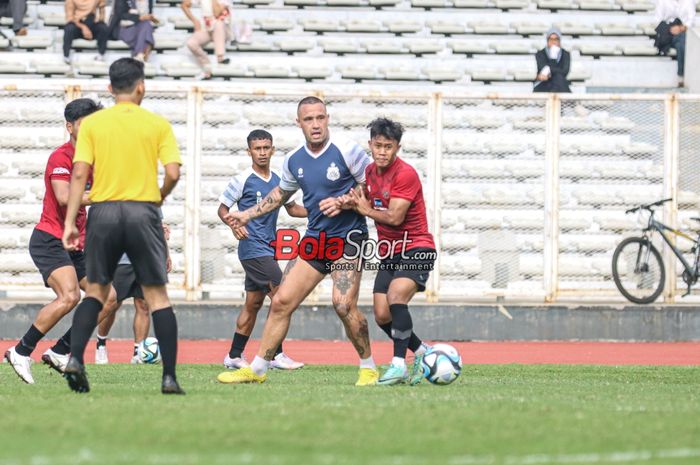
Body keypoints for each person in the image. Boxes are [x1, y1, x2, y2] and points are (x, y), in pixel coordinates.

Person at [217, 96, 379, 386]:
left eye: (320, 118)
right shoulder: (293, 160)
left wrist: (344, 201)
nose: (315, 124)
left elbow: (372, 184)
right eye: (309, 119)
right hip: (315, 240)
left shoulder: (347, 149)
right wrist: (246, 215)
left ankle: (368, 367)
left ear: (327, 118)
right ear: (299, 123)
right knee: (280, 301)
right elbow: (280, 194)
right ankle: (256, 370)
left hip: (348, 240)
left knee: (342, 305)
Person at [62, 57, 184, 395]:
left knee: (98, 292)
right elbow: (173, 172)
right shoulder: (156, 124)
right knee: (157, 296)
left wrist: (71, 222)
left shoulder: (93, 126)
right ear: (141, 86)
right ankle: (169, 377)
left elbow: (78, 174)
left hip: (102, 213)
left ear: (110, 88)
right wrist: (159, 196)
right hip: (142, 211)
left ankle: (75, 358)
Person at [4, 98, 118, 384]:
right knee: (70, 296)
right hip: (49, 239)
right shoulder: (61, 157)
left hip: (76, 244)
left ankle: (60, 351)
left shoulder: (95, 158)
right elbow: (65, 197)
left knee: (109, 298)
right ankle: (21, 351)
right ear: (70, 126)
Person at [341, 118, 436, 385]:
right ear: (370, 144)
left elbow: (394, 217)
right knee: (382, 314)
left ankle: (398, 365)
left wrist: (364, 209)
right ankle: (421, 351)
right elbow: (363, 199)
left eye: (388, 147)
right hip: (390, 252)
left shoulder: (405, 173)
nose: (382, 152)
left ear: (397, 148)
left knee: (396, 296)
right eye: (378, 145)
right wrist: (346, 202)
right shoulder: (370, 172)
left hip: (417, 247)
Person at [219, 129, 307, 371]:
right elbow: (223, 209)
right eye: (257, 148)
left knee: (253, 305)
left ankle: (234, 356)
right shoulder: (242, 179)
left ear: (272, 150)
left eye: (266, 148)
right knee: (282, 296)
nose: (262, 152)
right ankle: (275, 354)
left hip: (268, 248)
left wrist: (318, 208)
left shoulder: (280, 180)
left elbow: (293, 209)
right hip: (252, 248)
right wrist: (232, 225)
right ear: (249, 152)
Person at [94, 222, 171, 365]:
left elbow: (159, 225)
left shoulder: (152, 200)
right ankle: (101, 344)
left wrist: (166, 253)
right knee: (111, 305)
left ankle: (139, 353)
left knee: (143, 305)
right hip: (120, 259)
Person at [181, 0, 232, 79]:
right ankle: (207, 65)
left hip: (223, 30)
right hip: (208, 29)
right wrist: (195, 21)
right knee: (191, 43)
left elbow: (216, 13)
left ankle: (220, 57)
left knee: (218, 24)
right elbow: (184, 5)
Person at [655, 0, 695, 87]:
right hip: (668, 34)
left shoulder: (689, 2)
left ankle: (681, 75)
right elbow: (658, 20)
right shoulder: (663, 1)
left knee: (681, 42)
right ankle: (681, 75)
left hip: (684, 33)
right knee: (681, 42)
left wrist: (681, 28)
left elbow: (691, 20)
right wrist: (670, 29)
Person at [63, 0, 109, 64]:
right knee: (69, 28)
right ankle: (66, 56)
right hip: (77, 24)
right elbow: (70, 18)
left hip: (91, 23)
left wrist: (101, 19)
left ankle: (101, 54)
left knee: (103, 28)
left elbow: (102, 8)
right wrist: (83, 27)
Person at [533, 27, 571, 93]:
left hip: (559, 84)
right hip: (544, 84)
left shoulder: (565, 54)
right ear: (547, 41)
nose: (553, 42)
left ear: (559, 41)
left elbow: (565, 71)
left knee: (558, 78)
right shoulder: (540, 54)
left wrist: (549, 70)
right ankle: (569, 101)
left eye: (556, 39)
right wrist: (553, 58)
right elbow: (542, 68)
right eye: (551, 39)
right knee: (558, 77)